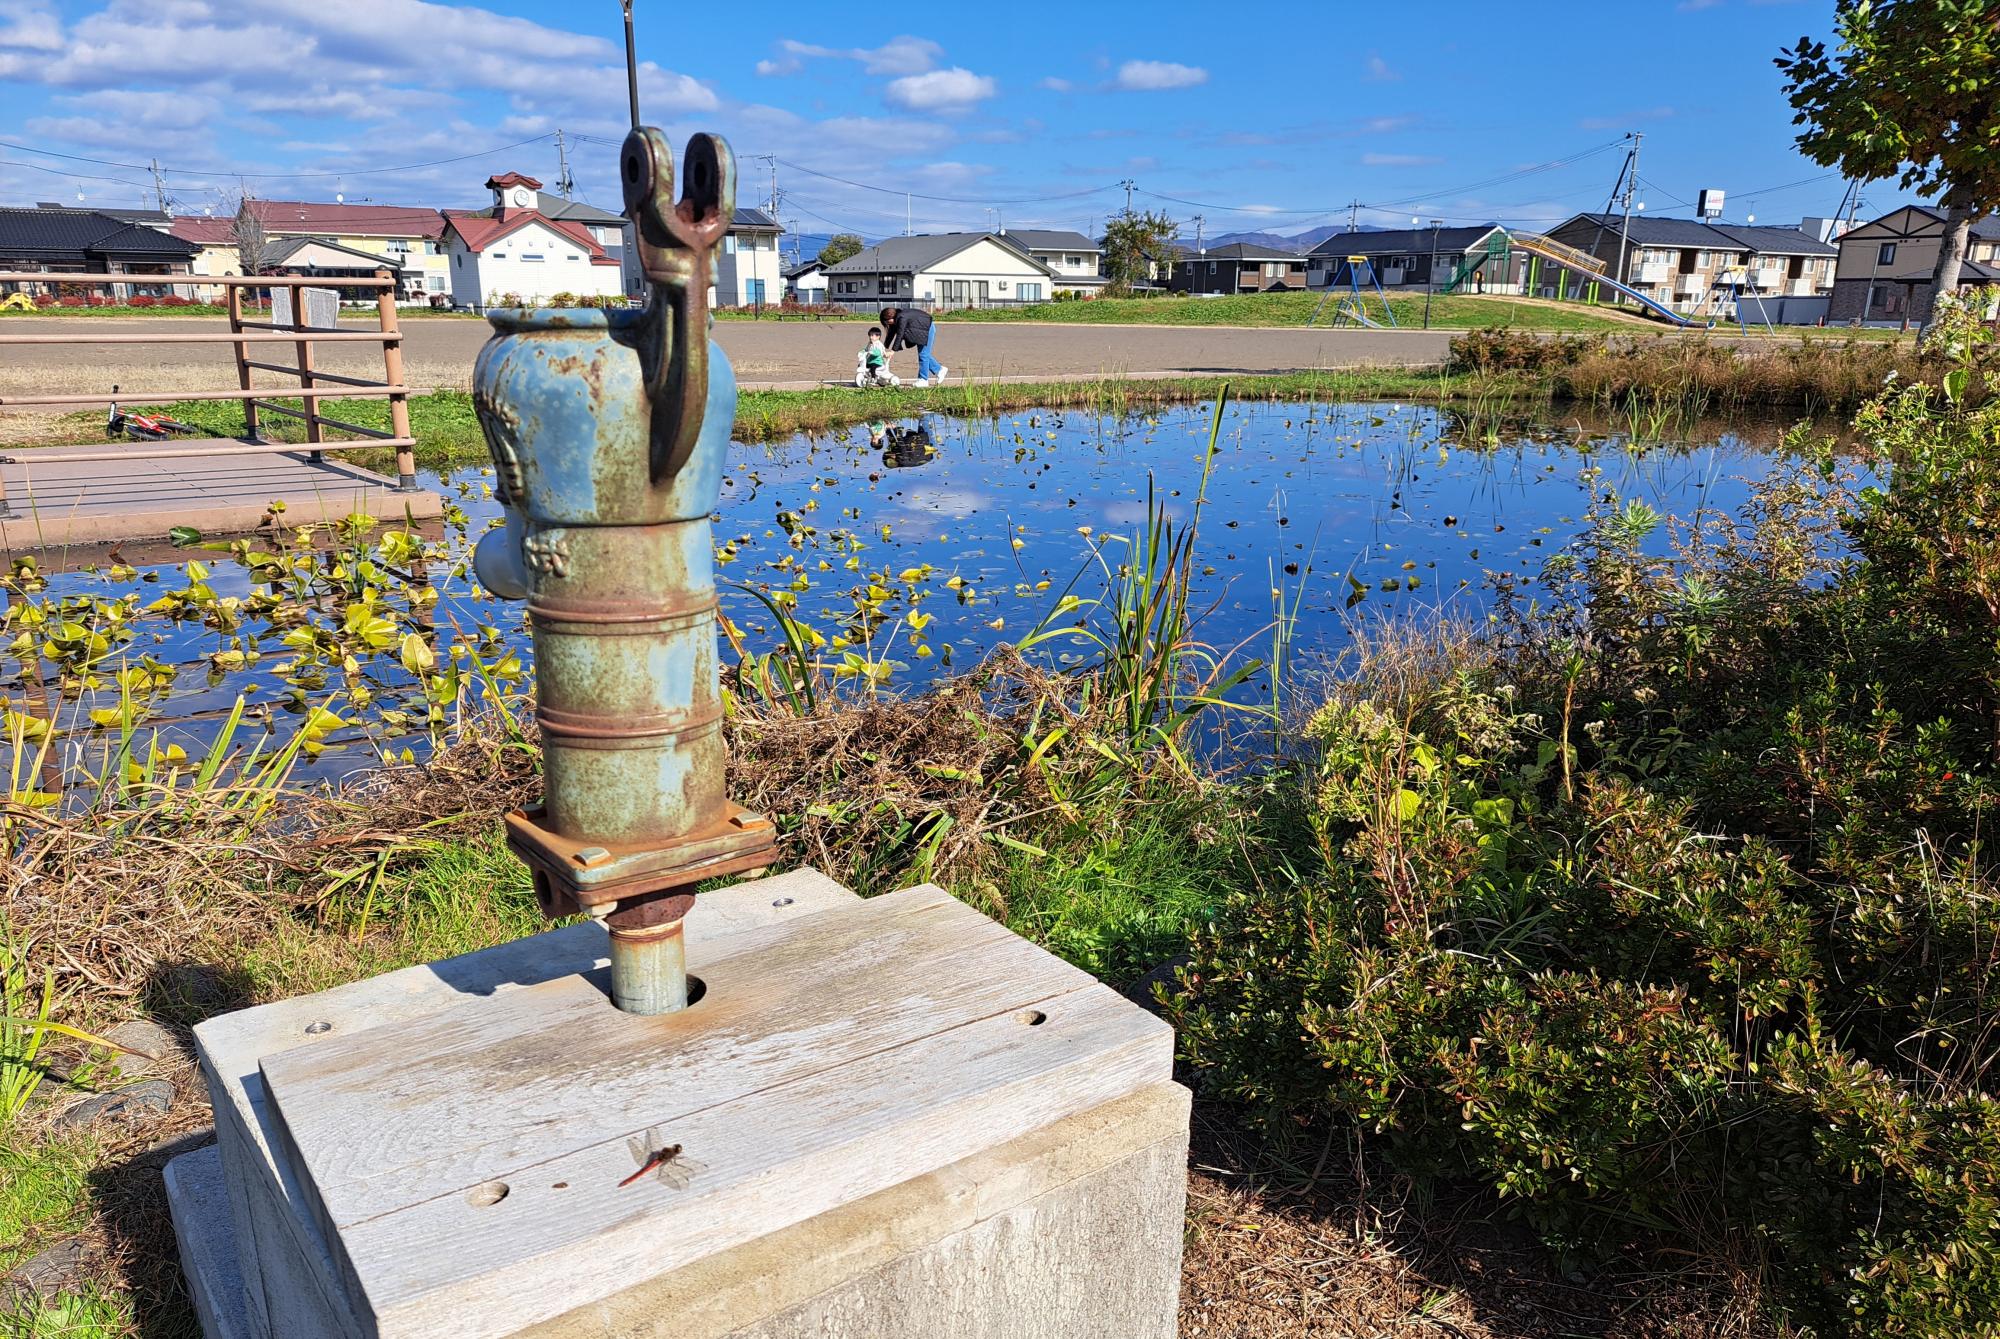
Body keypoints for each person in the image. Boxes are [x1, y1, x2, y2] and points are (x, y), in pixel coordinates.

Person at [881, 306, 947, 387]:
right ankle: (939, 369)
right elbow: (891, 334)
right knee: (924, 354)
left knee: (923, 355)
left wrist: (893, 351)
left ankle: (923, 380)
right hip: (921, 329)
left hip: (927, 328)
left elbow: (900, 334)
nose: (887, 324)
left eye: (887, 322)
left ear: (890, 318)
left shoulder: (902, 317)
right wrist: (883, 348)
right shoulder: (897, 318)